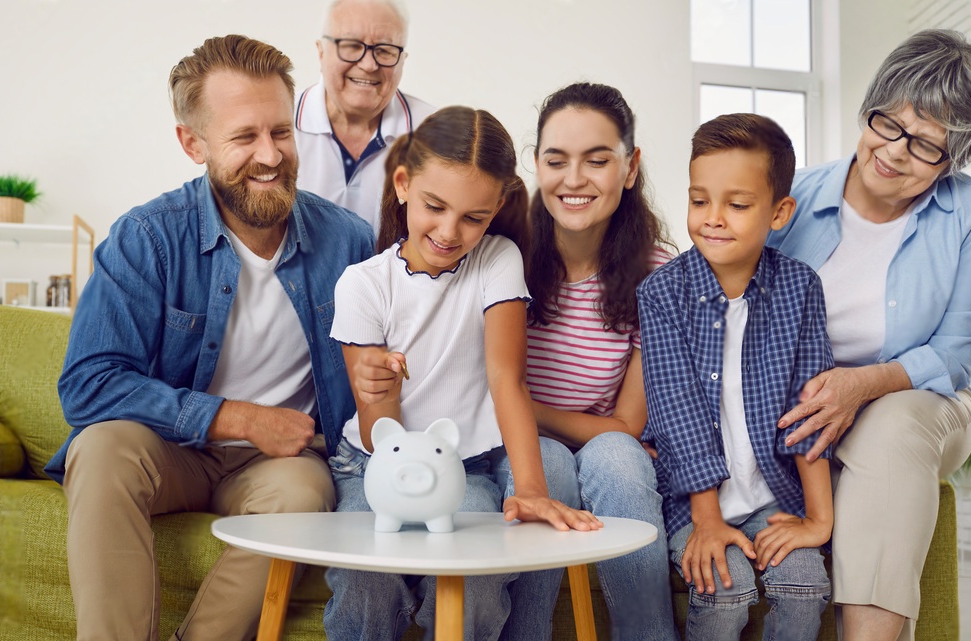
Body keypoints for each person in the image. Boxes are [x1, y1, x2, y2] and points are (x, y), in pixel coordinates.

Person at [45, 35, 373, 641]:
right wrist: (239, 417)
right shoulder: (145, 237)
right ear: (192, 143)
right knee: (100, 449)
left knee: (307, 490)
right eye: (245, 137)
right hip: (174, 450)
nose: (271, 155)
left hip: (278, 466)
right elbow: (88, 386)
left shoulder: (349, 242)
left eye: (280, 131)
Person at [324, 105, 600, 640]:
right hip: (372, 465)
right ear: (403, 185)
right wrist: (375, 386)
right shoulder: (362, 284)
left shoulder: (498, 261)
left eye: (473, 217)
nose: (450, 232)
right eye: (435, 206)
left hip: (465, 467)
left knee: (473, 573)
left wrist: (531, 487)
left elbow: (507, 379)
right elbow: (383, 435)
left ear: (497, 206)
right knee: (366, 580)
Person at [766, 29, 971, 641]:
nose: (894, 151)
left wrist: (863, 384)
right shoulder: (792, 197)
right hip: (804, 409)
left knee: (889, 428)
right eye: (887, 123)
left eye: (925, 146)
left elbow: (952, 353)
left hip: (925, 403)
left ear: (956, 158)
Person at [639, 113, 834, 640]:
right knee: (725, 590)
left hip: (775, 498)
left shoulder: (800, 287)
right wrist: (706, 520)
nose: (713, 218)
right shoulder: (661, 294)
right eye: (699, 200)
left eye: (738, 204)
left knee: (804, 587)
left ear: (779, 212)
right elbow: (676, 411)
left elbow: (811, 407)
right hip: (691, 505)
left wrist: (818, 519)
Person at [504, 82, 679, 641]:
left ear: (630, 168)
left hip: (608, 443)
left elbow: (627, 424)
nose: (574, 180)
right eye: (556, 161)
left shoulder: (659, 271)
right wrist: (523, 416)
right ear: (536, 165)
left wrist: (526, 406)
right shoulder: (503, 254)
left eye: (597, 160)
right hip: (521, 448)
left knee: (620, 457)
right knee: (548, 463)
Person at [295, 0, 435, 232]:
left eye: (384, 50)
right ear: (321, 52)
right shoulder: (277, 124)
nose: (369, 65)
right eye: (351, 45)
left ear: (402, 61)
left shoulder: (434, 133)